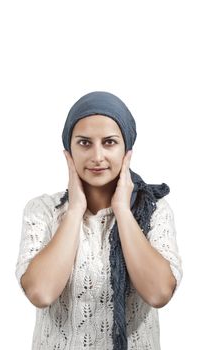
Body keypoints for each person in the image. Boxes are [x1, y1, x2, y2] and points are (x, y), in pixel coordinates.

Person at [15, 91, 183, 350]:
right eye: (84, 143)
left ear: (127, 149)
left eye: (109, 142)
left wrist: (123, 212)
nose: (97, 156)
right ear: (68, 150)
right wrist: (74, 211)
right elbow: (41, 293)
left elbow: (159, 293)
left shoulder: (153, 209)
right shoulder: (43, 210)